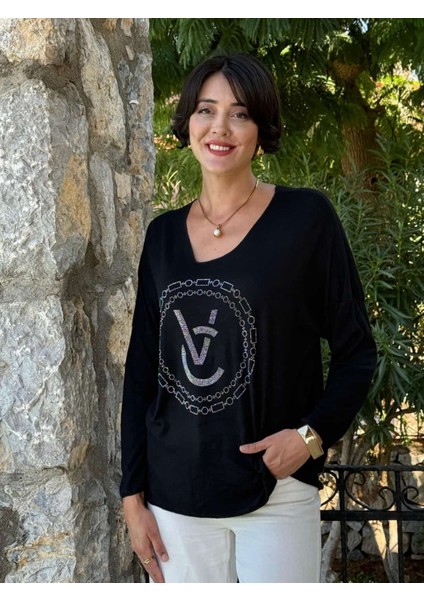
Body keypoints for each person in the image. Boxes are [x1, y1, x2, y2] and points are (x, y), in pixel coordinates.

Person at [120, 53, 377, 583]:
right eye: (206, 110)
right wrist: (132, 496)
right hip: (175, 497)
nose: (220, 127)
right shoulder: (162, 237)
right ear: (188, 122)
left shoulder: (306, 220)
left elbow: (357, 351)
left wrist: (309, 437)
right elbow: (142, 372)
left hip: (275, 490)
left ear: (261, 130)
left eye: (239, 114)